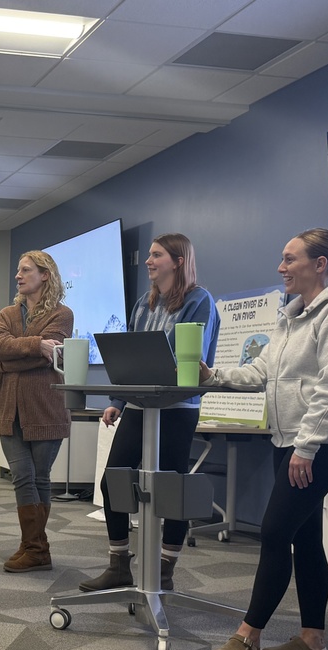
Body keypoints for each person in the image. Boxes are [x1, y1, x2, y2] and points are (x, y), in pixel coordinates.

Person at [204, 228, 328, 650]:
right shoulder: (292, 315)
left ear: (320, 264)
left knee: (275, 532)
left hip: (323, 445)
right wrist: (213, 376)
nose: (281, 268)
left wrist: (307, 447)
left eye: (290, 259)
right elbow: (263, 371)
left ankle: (248, 635)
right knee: (304, 536)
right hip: (291, 441)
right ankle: (312, 640)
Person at [79, 233, 219, 593]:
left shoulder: (199, 301)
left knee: (172, 489)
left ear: (178, 261)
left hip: (177, 409)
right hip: (141, 405)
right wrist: (117, 401)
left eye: (156, 255)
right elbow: (131, 354)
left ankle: (165, 568)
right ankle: (119, 564)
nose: (148, 261)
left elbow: (189, 357)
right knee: (113, 481)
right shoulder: (144, 302)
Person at [0, 250, 74, 573]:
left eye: (25, 270)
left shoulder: (62, 314)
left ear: (45, 275)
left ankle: (33, 547)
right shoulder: (6, 314)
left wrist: (18, 355)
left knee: (40, 478)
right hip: (10, 409)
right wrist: (36, 345)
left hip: (45, 409)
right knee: (22, 477)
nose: (18, 276)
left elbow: (46, 356)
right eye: (18, 270)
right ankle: (37, 548)